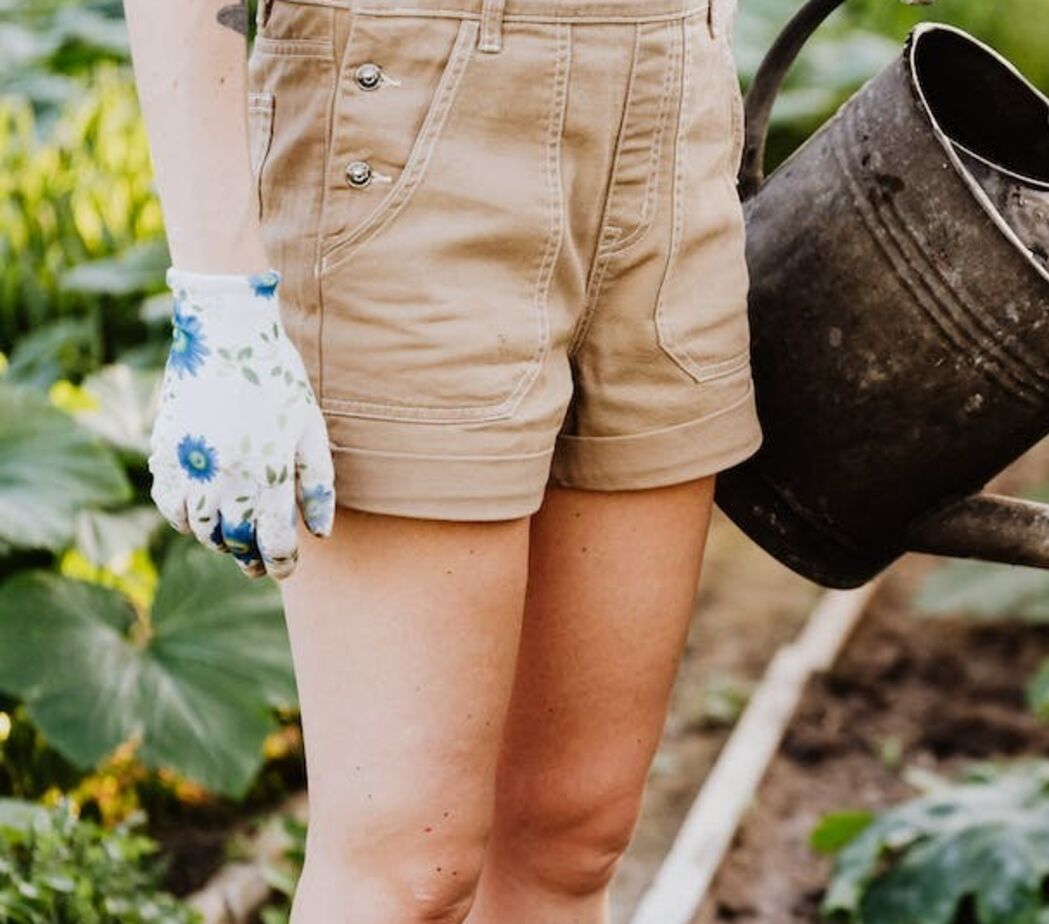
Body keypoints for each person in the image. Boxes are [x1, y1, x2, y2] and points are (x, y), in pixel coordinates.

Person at [125, 0, 759, 919]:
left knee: (574, 834)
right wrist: (219, 298)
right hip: (410, 106)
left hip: (677, 96)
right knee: (406, 868)